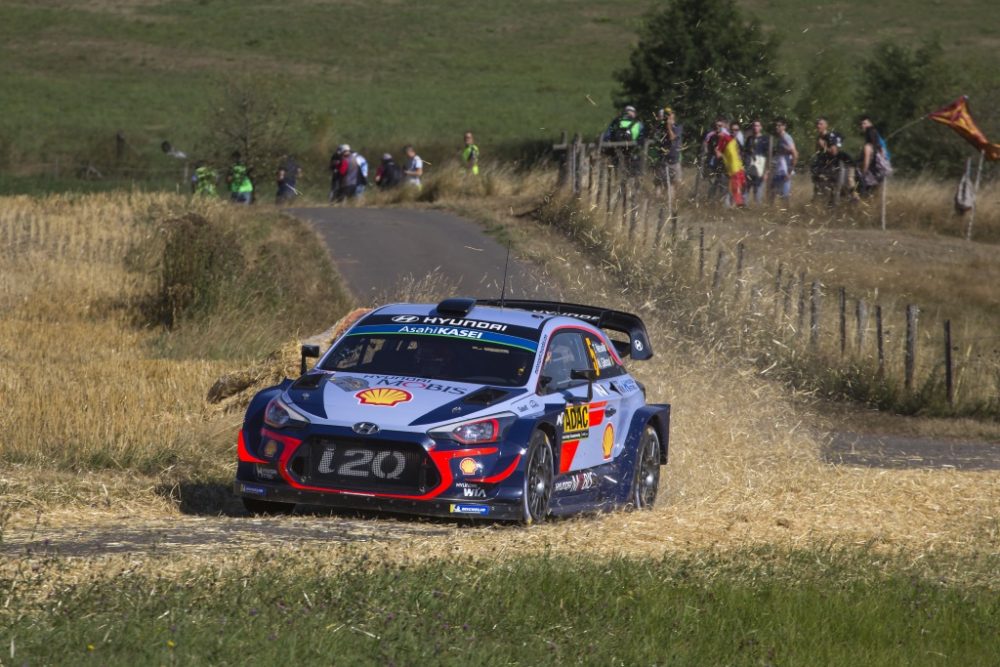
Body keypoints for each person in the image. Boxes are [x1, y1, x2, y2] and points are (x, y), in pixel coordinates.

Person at [602, 105, 644, 174]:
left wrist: (606, 145)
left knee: (614, 164)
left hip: (616, 148)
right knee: (635, 162)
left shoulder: (616, 121)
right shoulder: (639, 124)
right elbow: (642, 137)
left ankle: (615, 175)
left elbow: (607, 135)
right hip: (632, 149)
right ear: (634, 113)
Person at [650, 106, 683, 189]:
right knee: (658, 184)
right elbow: (653, 136)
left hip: (674, 160)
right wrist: (658, 123)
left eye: (669, 114)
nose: (667, 117)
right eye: (666, 115)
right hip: (662, 159)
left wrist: (668, 126)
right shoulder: (660, 127)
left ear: (673, 115)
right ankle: (657, 201)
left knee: (673, 184)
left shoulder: (677, 126)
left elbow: (672, 138)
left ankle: (671, 201)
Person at [857, 116, 890, 198]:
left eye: (865, 123)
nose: (862, 126)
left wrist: (863, 173)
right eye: (861, 124)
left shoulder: (868, 145)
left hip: (872, 173)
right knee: (876, 195)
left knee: (866, 194)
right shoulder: (879, 144)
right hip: (880, 172)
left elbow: (867, 161)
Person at [769, 119, 798, 204]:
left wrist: (790, 171)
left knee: (784, 196)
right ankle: (772, 212)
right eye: (776, 125)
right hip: (779, 170)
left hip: (785, 171)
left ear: (784, 127)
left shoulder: (786, 138)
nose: (777, 127)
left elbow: (795, 154)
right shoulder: (781, 138)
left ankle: (787, 215)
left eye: (779, 125)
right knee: (773, 192)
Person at [715, 127, 745, 208]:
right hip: (735, 168)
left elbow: (718, 153)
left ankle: (738, 204)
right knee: (735, 186)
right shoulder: (728, 140)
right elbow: (718, 153)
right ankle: (737, 204)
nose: (720, 133)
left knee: (737, 186)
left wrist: (720, 153)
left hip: (736, 168)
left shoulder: (728, 139)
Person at [742, 120, 770, 205]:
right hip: (749, 166)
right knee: (746, 187)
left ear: (761, 127)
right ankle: (744, 207)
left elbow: (768, 156)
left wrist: (766, 171)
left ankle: (758, 210)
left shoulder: (765, 139)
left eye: (757, 126)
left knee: (757, 189)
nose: (755, 127)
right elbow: (745, 153)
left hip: (759, 167)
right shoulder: (749, 139)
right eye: (754, 126)